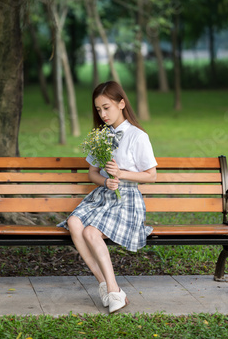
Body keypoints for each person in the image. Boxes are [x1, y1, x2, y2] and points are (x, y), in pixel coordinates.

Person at [57, 81, 157, 313]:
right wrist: (106, 181)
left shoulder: (137, 136)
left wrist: (121, 174)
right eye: (98, 109)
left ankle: (112, 290)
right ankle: (107, 286)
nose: (102, 114)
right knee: (73, 222)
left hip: (126, 200)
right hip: (103, 196)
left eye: (107, 107)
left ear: (121, 104)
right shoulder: (101, 136)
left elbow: (151, 176)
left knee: (90, 232)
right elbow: (92, 173)